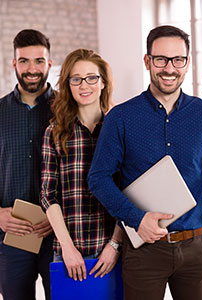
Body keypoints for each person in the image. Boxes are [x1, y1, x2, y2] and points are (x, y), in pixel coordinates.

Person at [88, 25, 202, 300]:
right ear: (147, 61)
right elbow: (98, 178)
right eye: (161, 59)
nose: (169, 68)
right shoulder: (121, 117)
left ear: (187, 63)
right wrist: (136, 218)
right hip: (143, 251)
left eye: (178, 60)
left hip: (197, 246)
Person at [40, 49, 123, 283]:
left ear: (103, 82)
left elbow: (128, 191)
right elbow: (48, 194)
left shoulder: (119, 129)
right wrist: (67, 247)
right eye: (76, 79)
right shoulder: (55, 132)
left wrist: (115, 245)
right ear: (68, 84)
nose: (84, 85)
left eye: (92, 77)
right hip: (68, 253)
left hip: (111, 249)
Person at [0, 29, 54, 300]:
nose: (31, 69)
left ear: (49, 64)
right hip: (12, 234)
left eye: (39, 61)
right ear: (14, 63)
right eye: (24, 61)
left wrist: (59, 216)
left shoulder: (66, 110)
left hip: (59, 233)